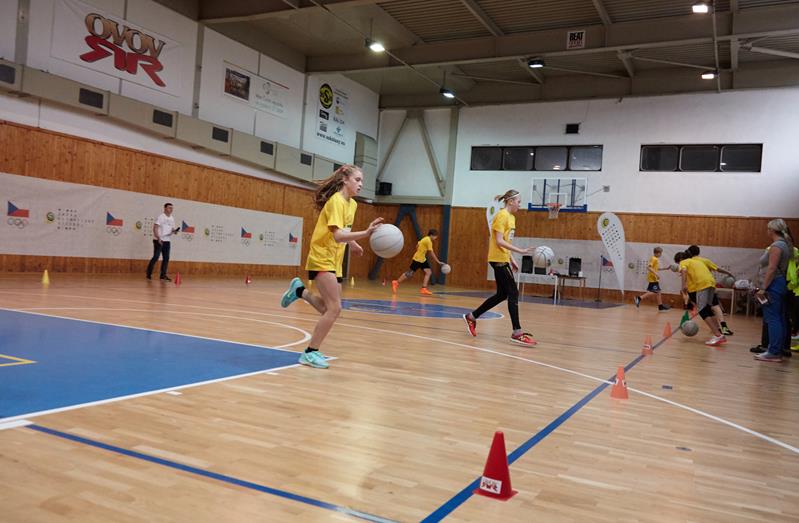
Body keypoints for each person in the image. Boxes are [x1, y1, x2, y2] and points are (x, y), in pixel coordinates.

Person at [279, 165, 383, 369]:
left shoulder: (352, 204)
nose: (361, 184)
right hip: (322, 256)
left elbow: (343, 231)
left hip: (335, 259)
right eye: (357, 180)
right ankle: (310, 353)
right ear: (345, 180)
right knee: (334, 308)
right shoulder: (336, 201)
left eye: (362, 181)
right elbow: (337, 235)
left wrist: (353, 243)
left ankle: (299, 291)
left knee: (329, 309)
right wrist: (365, 233)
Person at [462, 190, 536, 346]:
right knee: (513, 292)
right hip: (497, 259)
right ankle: (517, 333)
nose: (520, 205)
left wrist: (512, 259)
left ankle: (472, 316)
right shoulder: (501, 216)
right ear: (510, 201)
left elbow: (506, 242)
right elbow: (499, 241)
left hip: (503, 258)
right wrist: (520, 251)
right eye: (518, 202)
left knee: (502, 294)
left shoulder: (512, 218)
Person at [752, 219, 794, 362]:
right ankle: (776, 350)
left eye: (768, 229)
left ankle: (774, 352)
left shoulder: (777, 245)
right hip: (779, 283)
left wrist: (764, 288)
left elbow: (772, 268)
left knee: (773, 318)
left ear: (772, 230)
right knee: (779, 318)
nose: (767, 231)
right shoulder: (785, 244)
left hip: (774, 284)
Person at [676, 250, 726, 346]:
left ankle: (718, 335)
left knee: (702, 310)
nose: (679, 265)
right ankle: (719, 332)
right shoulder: (696, 261)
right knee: (708, 308)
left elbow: (684, 270)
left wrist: (683, 286)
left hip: (702, 284)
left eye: (678, 263)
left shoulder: (683, 262)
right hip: (711, 283)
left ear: (681, 259)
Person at [686, 245, 735, 335]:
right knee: (715, 306)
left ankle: (717, 330)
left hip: (696, 288)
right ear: (698, 252)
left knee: (704, 309)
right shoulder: (704, 260)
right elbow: (718, 269)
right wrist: (728, 273)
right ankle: (723, 328)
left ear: (689, 253)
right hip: (709, 285)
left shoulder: (688, 262)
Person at [392, 229, 444, 295]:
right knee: (409, 273)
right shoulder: (428, 241)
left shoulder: (424, 239)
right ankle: (396, 282)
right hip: (418, 259)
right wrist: (438, 261)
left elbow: (417, 245)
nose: (436, 238)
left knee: (428, 272)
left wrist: (420, 251)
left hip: (422, 259)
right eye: (435, 236)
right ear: (431, 235)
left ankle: (423, 289)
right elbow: (431, 253)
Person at [146, 202, 179, 281]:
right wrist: (158, 238)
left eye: (172, 208)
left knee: (166, 258)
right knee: (156, 257)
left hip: (167, 240)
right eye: (169, 207)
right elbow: (155, 228)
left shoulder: (172, 218)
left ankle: (163, 275)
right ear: (165, 208)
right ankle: (148, 273)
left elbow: (172, 229)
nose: (171, 209)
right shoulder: (161, 217)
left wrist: (175, 231)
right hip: (159, 240)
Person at [634, 247, 671, 311]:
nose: (661, 254)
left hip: (654, 278)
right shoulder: (654, 259)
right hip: (653, 278)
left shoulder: (655, 259)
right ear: (657, 253)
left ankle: (660, 306)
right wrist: (656, 274)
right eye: (660, 253)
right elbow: (649, 267)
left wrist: (666, 268)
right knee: (655, 291)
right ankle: (639, 298)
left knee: (658, 292)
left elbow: (656, 268)